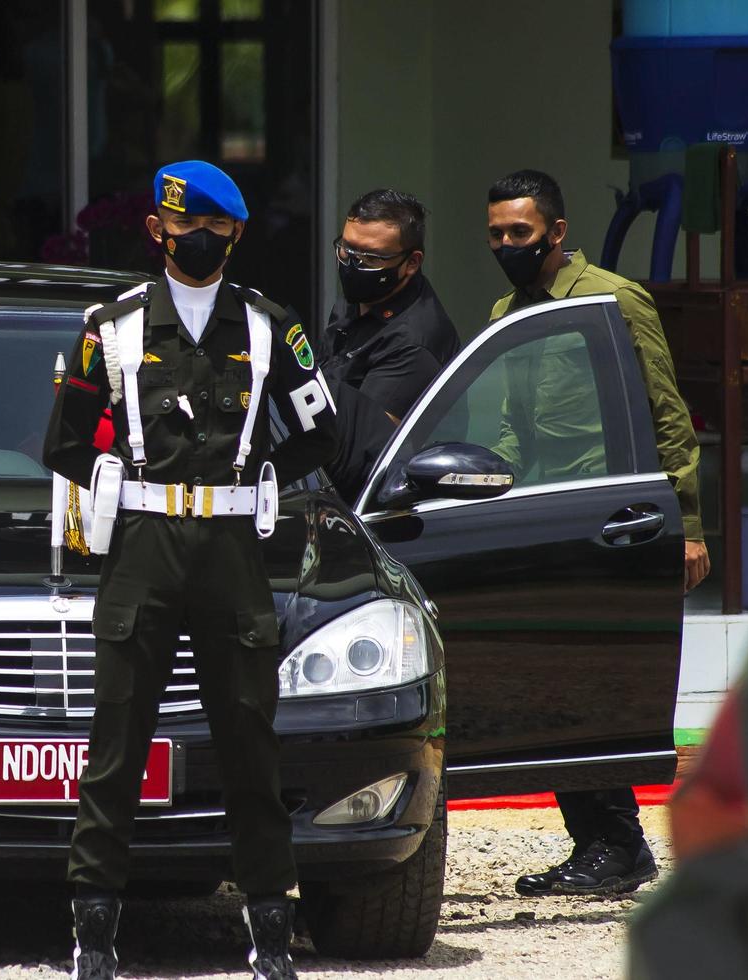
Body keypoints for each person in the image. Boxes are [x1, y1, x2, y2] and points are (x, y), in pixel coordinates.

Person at [44, 160, 342, 980]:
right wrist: (111, 487)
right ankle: (94, 938)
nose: (199, 242)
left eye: (214, 231)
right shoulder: (111, 326)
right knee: (116, 746)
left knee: (250, 739)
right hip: (142, 546)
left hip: (231, 553)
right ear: (158, 233)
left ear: (236, 235)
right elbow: (66, 442)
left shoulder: (269, 326)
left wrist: (263, 474)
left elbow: (323, 431)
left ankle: (271, 937)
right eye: (184, 232)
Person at [485, 169, 710, 898]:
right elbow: (508, 428)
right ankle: (603, 845)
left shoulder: (613, 298)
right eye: (495, 234)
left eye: (519, 232)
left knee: (593, 688)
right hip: (539, 526)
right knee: (550, 690)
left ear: (555, 231)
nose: (506, 245)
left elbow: (667, 414)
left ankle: (615, 844)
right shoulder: (505, 312)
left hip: (609, 522)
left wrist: (689, 525)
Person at [323, 189, 460, 423]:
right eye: (348, 250)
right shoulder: (360, 299)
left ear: (411, 263)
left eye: (371, 258)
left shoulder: (414, 342)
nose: (353, 266)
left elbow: (366, 443)